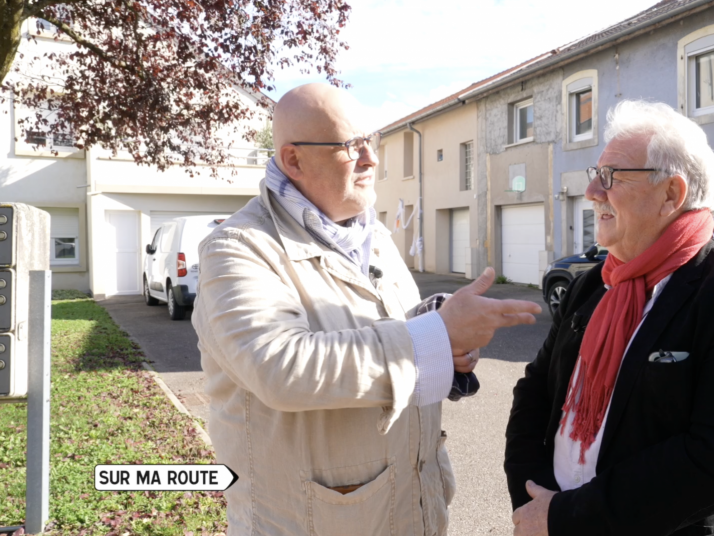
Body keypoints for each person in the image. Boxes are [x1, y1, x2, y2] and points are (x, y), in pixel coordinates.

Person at [192, 83, 541, 535]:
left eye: (370, 141)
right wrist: (434, 336)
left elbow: (391, 326)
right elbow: (280, 367)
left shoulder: (371, 236)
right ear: (293, 159)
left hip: (411, 513)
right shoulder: (238, 248)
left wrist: (444, 335)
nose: (370, 158)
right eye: (348, 146)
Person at [505, 100, 714, 536]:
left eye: (611, 177)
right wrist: (534, 499)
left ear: (671, 195)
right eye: (595, 175)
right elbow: (536, 394)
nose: (592, 193)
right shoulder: (594, 287)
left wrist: (569, 518)